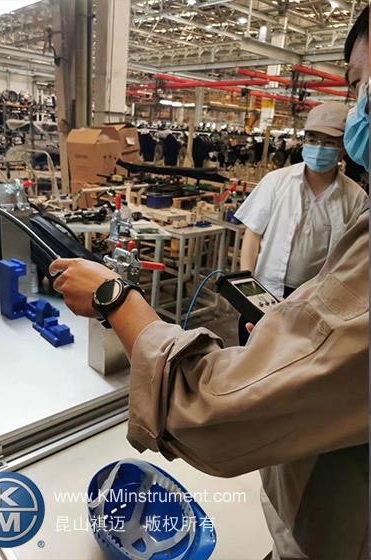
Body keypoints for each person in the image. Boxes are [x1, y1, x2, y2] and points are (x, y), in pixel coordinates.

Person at [49, 8, 369, 560]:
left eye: (365, 86)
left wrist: (115, 298)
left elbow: (212, 407)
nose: (361, 104)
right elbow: (259, 243)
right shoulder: (282, 183)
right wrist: (269, 304)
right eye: (356, 87)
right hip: (287, 319)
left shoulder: (355, 204)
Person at [235, 101, 367, 344]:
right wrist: (247, 284)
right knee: (251, 352)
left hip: (315, 300)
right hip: (265, 289)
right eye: (312, 140)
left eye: (329, 142)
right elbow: (253, 234)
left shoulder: (355, 197)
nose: (319, 148)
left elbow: (350, 257)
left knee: (295, 357)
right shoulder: (276, 181)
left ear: (344, 148)